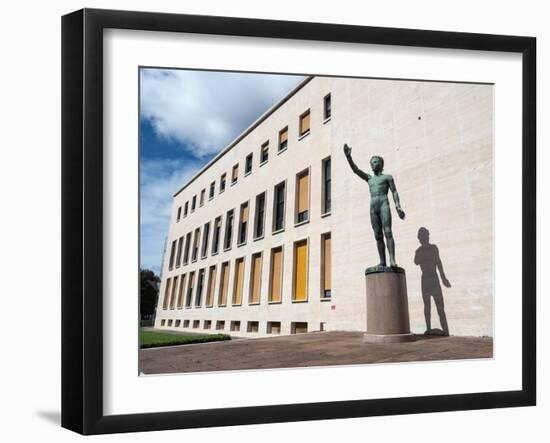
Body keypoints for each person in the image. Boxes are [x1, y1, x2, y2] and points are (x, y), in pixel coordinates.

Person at [343, 144, 405, 267]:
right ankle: (382, 261)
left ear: (381, 164)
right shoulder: (369, 179)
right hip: (373, 207)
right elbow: (356, 170)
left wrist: (398, 206)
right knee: (377, 235)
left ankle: (392, 260)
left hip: (383, 203)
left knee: (388, 231)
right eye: (372, 163)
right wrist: (349, 157)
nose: (373, 164)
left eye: (376, 162)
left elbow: (394, 191)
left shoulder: (387, 177)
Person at [414, 227, 451, 336]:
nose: (423, 239)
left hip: (431, 278)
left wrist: (443, 278)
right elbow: (416, 262)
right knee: (428, 305)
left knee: (438, 305)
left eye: (424, 236)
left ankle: (444, 330)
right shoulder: (420, 250)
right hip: (427, 278)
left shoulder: (431, 249)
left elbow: (438, 262)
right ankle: (429, 329)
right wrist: (443, 278)